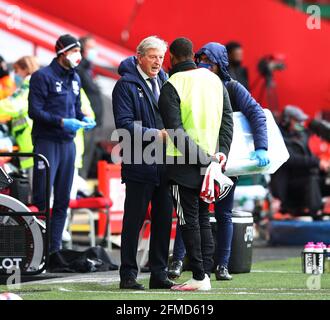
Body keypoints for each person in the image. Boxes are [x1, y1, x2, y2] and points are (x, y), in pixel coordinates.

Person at [168, 42, 269, 281]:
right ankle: (178, 261)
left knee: (223, 214)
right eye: (201, 61)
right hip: (195, 158)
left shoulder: (231, 88)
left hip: (223, 162)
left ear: (219, 65)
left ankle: (222, 264)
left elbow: (257, 113)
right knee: (188, 213)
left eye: (209, 63)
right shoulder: (192, 83)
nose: (204, 66)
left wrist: (261, 147)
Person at [159, 37, 233, 291]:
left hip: (182, 164)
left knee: (188, 220)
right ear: (193, 55)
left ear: (172, 57)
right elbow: (227, 122)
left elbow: (175, 132)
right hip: (210, 164)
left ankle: (200, 277)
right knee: (204, 218)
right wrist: (219, 156)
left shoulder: (172, 84)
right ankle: (205, 275)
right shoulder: (215, 81)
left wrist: (203, 159)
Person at [112, 36, 174, 290]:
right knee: (134, 221)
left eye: (160, 57)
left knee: (163, 220)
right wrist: (156, 134)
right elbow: (124, 125)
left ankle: (159, 273)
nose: (157, 62)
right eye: (152, 56)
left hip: (165, 163)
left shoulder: (166, 81)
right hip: (139, 162)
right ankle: (128, 274)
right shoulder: (125, 86)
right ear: (139, 56)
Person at [28, 34, 96, 253]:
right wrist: (61, 122)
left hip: (68, 144)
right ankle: (37, 251)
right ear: (62, 53)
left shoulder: (75, 78)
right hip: (47, 143)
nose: (78, 56)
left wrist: (83, 118)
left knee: (63, 200)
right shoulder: (42, 76)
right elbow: (34, 111)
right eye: (74, 51)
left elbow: (75, 107)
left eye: (79, 51)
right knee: (41, 198)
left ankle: (54, 251)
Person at [270, 105, 330, 220]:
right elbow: (290, 159)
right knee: (312, 180)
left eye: (302, 121)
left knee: (321, 179)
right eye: (298, 121)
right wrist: (317, 162)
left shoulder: (302, 134)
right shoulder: (277, 138)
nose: (301, 123)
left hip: (310, 181)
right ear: (286, 120)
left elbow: (326, 133)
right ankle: (316, 214)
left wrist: (313, 123)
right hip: (289, 186)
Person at [0, 56, 39, 170]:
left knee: (36, 183)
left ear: (26, 69)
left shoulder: (29, 83)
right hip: (28, 139)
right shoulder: (33, 83)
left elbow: (15, 105)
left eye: (16, 71)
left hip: (29, 137)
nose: (15, 75)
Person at [76, 35, 104, 179]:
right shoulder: (79, 69)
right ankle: (79, 183)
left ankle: (82, 181)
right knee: (83, 156)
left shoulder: (88, 69)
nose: (94, 51)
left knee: (89, 156)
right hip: (85, 121)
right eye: (90, 47)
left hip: (94, 121)